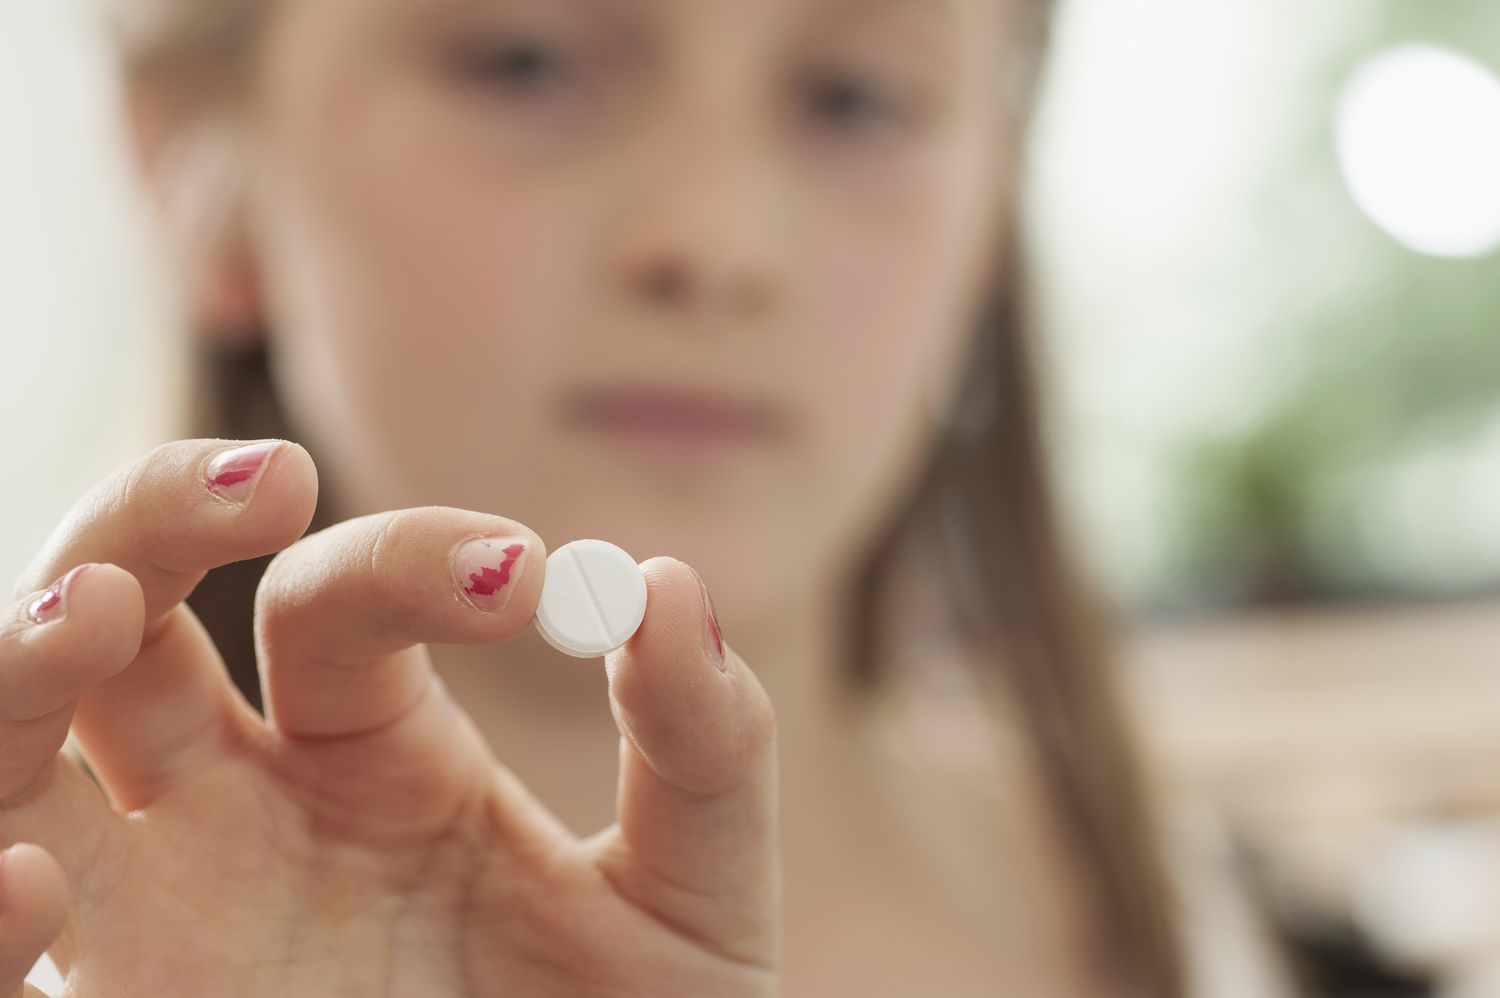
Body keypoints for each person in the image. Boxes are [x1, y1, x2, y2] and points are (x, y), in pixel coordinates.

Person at [3, 0, 1190, 993]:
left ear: (993, 206)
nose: (714, 239)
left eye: (857, 99)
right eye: (527, 64)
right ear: (193, 170)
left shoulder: (1219, 916)